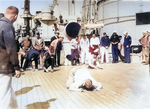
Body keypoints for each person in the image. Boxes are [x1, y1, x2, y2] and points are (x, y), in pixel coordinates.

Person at [0, 6, 21, 109]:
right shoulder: (8, 26)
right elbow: (11, 49)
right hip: (4, 66)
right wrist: (16, 67)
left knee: (8, 91)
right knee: (4, 94)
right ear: (15, 16)